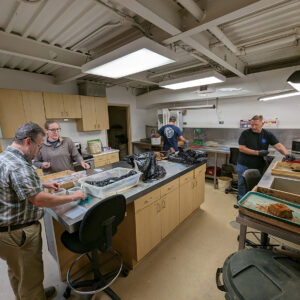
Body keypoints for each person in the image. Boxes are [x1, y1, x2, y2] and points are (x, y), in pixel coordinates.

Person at [0, 122, 85, 300]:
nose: (39, 149)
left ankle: (30, 294)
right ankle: (33, 294)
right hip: (18, 232)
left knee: (18, 273)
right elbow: (38, 199)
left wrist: (42, 183)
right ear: (28, 141)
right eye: (38, 145)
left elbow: (16, 185)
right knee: (30, 276)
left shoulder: (7, 156)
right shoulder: (19, 165)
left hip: (7, 233)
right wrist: (73, 197)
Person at [237, 115, 294, 200]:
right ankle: (241, 199)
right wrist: (257, 153)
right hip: (244, 164)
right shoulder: (245, 133)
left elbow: (278, 145)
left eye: (256, 125)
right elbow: (241, 148)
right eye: (251, 125)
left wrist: (286, 154)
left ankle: (251, 199)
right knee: (242, 184)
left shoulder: (267, 134)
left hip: (258, 165)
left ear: (262, 124)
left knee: (255, 183)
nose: (253, 127)